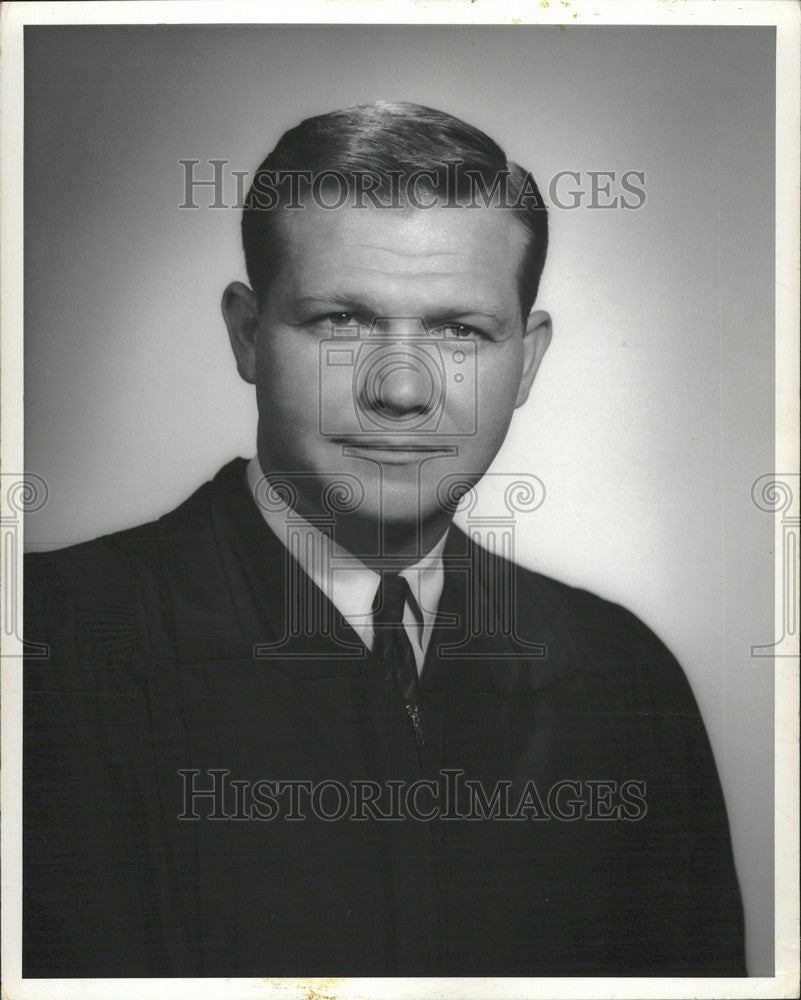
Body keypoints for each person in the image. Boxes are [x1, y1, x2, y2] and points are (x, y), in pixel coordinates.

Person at [23, 102, 745, 978]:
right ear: (248, 335)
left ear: (528, 358)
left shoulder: (623, 677)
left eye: (459, 331)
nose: (400, 391)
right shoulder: (45, 648)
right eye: (341, 322)